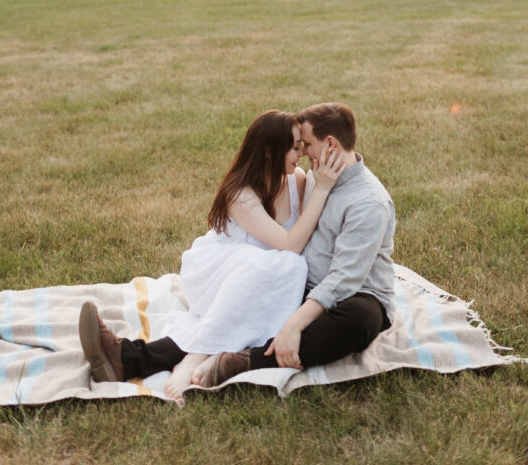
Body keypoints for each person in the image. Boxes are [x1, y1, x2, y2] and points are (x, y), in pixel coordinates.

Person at [79, 109, 344, 400]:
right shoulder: (240, 194)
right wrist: (323, 190)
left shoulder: (299, 180)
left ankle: (129, 358)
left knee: (285, 270)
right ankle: (196, 356)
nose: (302, 154)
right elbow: (290, 245)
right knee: (288, 264)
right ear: (269, 151)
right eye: (295, 148)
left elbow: (306, 237)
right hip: (218, 272)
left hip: (263, 281)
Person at [192, 102, 395, 388]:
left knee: (358, 321)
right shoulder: (314, 179)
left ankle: (245, 362)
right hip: (307, 288)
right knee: (246, 301)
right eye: (298, 146)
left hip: (356, 295)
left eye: (307, 145)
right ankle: (147, 355)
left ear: (330, 143)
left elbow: (344, 281)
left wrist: (294, 323)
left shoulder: (368, 202)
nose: (302, 153)